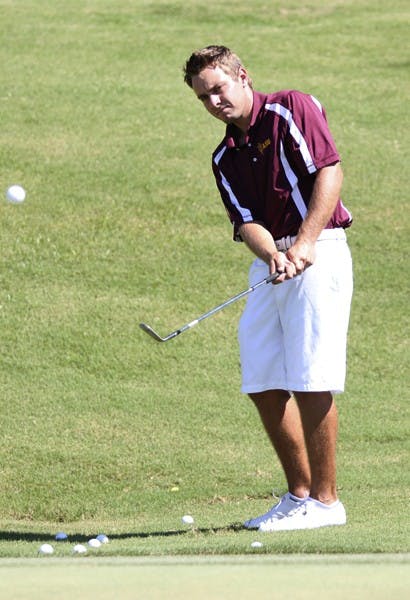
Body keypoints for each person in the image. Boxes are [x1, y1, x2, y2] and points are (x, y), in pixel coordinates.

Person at [183, 45, 353, 531]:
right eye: (204, 97)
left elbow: (330, 171)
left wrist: (302, 244)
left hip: (319, 247)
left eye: (219, 88)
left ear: (242, 76)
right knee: (261, 377)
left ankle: (326, 502)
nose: (214, 101)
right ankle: (300, 495)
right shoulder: (223, 157)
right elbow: (246, 222)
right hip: (276, 261)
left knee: (311, 374)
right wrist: (274, 256)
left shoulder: (290, 108)